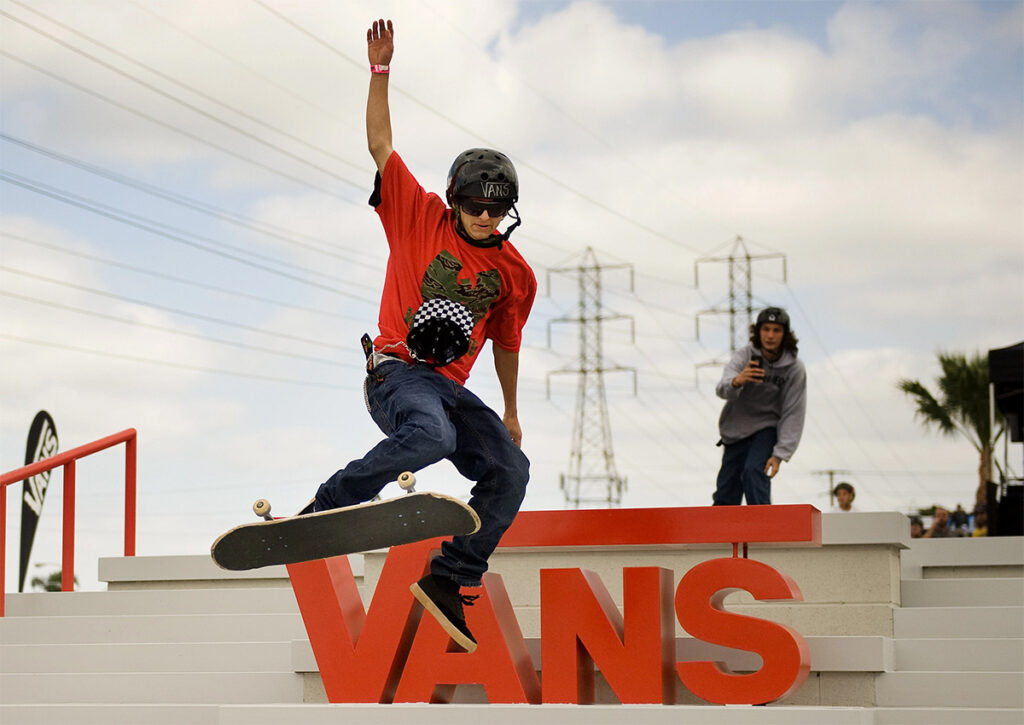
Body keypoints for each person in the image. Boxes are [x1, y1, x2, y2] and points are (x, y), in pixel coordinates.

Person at [311, 19, 537, 654]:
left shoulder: (515, 274)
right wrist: (380, 72)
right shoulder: (416, 215)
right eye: (476, 208)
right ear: (455, 201)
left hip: (451, 388)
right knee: (431, 437)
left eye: (497, 211)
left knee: (511, 471)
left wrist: (512, 413)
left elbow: (508, 343)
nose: (486, 220)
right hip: (396, 373)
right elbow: (381, 145)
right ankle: (334, 500)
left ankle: (451, 578)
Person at [712, 307, 807, 505]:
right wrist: (738, 381)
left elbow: (793, 412)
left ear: (785, 334)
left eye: (776, 330)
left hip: (766, 428)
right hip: (735, 431)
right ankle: (723, 534)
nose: (770, 336)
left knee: (753, 471)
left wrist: (780, 454)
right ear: (758, 332)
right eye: (766, 329)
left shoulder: (794, 368)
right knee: (726, 491)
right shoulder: (745, 356)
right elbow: (722, 389)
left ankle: (764, 531)